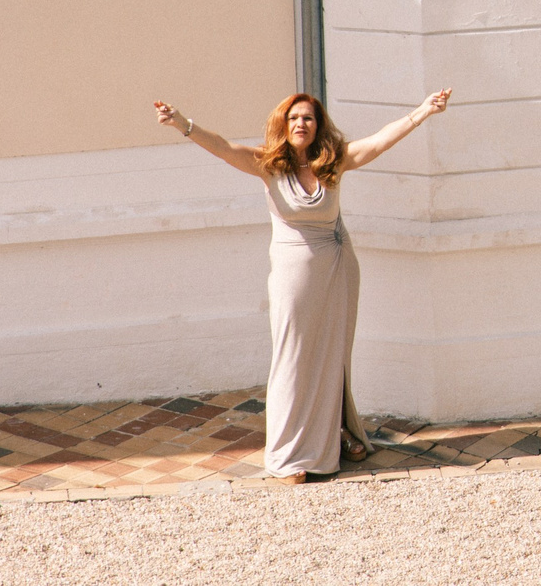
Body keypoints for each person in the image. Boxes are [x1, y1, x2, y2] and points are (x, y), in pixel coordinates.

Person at [150, 85, 450, 483]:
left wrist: (423, 111)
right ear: (284, 125)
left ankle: (340, 433)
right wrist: (181, 124)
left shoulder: (334, 162)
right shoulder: (267, 165)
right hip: (292, 276)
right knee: (293, 358)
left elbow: (379, 142)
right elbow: (222, 146)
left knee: (333, 356)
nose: (301, 123)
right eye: (293, 118)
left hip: (338, 268)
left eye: (308, 117)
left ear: (318, 125)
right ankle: (289, 455)